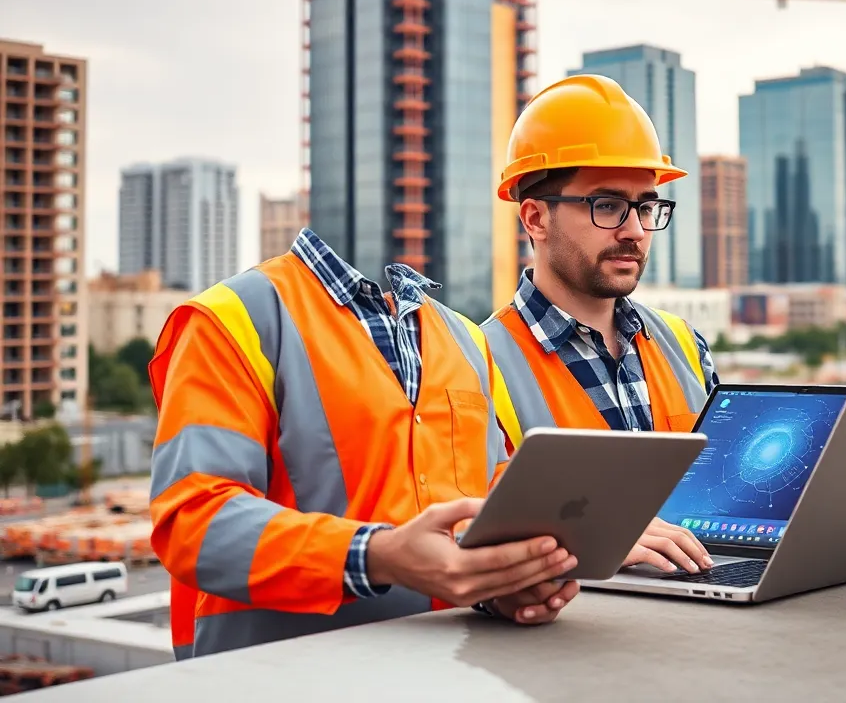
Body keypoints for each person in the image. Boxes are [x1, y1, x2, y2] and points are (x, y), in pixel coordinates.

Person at [149, 228, 580, 661]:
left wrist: (502, 584)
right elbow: (193, 521)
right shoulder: (233, 318)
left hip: (447, 670)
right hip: (281, 677)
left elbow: (489, 499)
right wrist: (378, 556)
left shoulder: (467, 339)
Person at [482, 73, 720, 575]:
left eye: (647, 205)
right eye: (607, 205)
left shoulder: (684, 345)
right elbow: (466, 536)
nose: (635, 230)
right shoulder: (476, 365)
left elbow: (723, 497)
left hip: (702, 615)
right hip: (562, 637)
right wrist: (589, 540)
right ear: (535, 219)